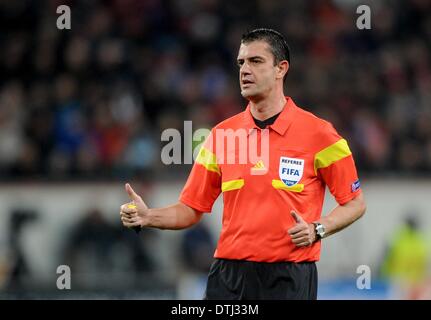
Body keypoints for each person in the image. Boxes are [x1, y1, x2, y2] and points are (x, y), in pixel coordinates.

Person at [120, 28, 366, 300]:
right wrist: (148, 216)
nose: (244, 70)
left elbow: (355, 203)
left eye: (256, 61)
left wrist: (317, 229)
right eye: (241, 62)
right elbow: (191, 209)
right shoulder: (221, 136)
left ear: (280, 69)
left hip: (289, 276)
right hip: (228, 276)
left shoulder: (320, 134)